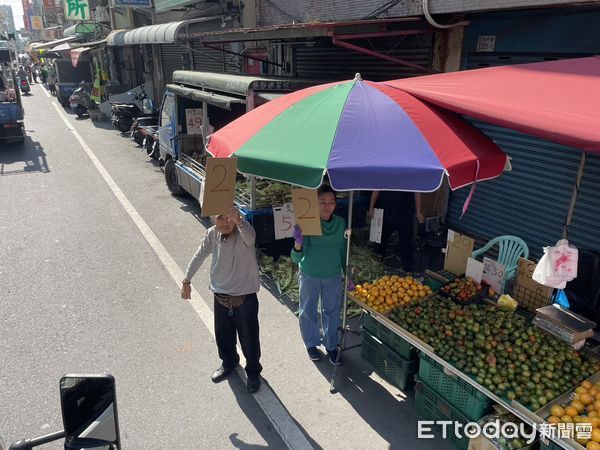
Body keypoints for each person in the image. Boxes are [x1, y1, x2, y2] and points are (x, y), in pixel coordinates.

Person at [181, 206, 262, 393]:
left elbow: (251, 237)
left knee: (249, 340)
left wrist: (240, 222)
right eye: (220, 218)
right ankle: (229, 362)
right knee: (223, 337)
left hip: (244, 298)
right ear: (213, 219)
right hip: (220, 296)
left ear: (235, 217)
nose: (225, 223)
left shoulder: (244, 232)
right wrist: (186, 280)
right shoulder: (213, 234)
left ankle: (253, 373)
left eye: (229, 218)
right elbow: (199, 254)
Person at [291, 185, 347, 365]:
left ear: (335, 204)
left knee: (331, 311)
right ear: (315, 203)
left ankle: (331, 346)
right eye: (322, 202)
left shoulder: (340, 223)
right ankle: (311, 343)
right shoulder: (308, 222)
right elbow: (296, 257)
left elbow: (343, 250)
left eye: (331, 202)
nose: (326, 206)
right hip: (310, 274)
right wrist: (298, 243)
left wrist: (348, 274)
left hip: (332, 275)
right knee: (308, 310)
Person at [368, 191, 424, 271]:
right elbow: (376, 189)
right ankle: (377, 264)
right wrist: (371, 208)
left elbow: (417, 193)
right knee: (380, 239)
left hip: (405, 213)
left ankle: (408, 268)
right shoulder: (384, 177)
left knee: (406, 241)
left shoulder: (411, 178)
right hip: (385, 211)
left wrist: (419, 212)